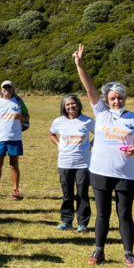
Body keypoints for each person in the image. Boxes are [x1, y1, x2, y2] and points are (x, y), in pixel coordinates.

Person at [74, 44, 134, 268]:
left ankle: (129, 254)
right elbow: (89, 89)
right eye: (113, 98)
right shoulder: (102, 113)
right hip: (101, 172)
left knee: (125, 214)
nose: (117, 101)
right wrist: (80, 65)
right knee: (102, 214)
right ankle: (99, 251)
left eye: (120, 97)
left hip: (126, 174)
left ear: (125, 98)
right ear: (106, 99)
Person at [49, 94, 94, 233]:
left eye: (73, 103)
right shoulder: (59, 121)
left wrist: (90, 145)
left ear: (79, 104)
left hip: (83, 163)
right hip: (65, 162)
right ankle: (67, 221)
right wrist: (59, 145)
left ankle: (83, 223)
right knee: (67, 193)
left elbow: (99, 134)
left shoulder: (88, 121)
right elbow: (51, 134)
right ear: (64, 107)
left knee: (82, 192)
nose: (71, 106)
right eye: (67, 104)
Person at [0, 80, 30, 201]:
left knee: (14, 164)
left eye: (9, 87)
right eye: (4, 87)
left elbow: (27, 116)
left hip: (15, 138)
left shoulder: (18, 101)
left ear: (12, 89)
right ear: (1, 89)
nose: (7, 89)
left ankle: (15, 190)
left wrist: (20, 117)